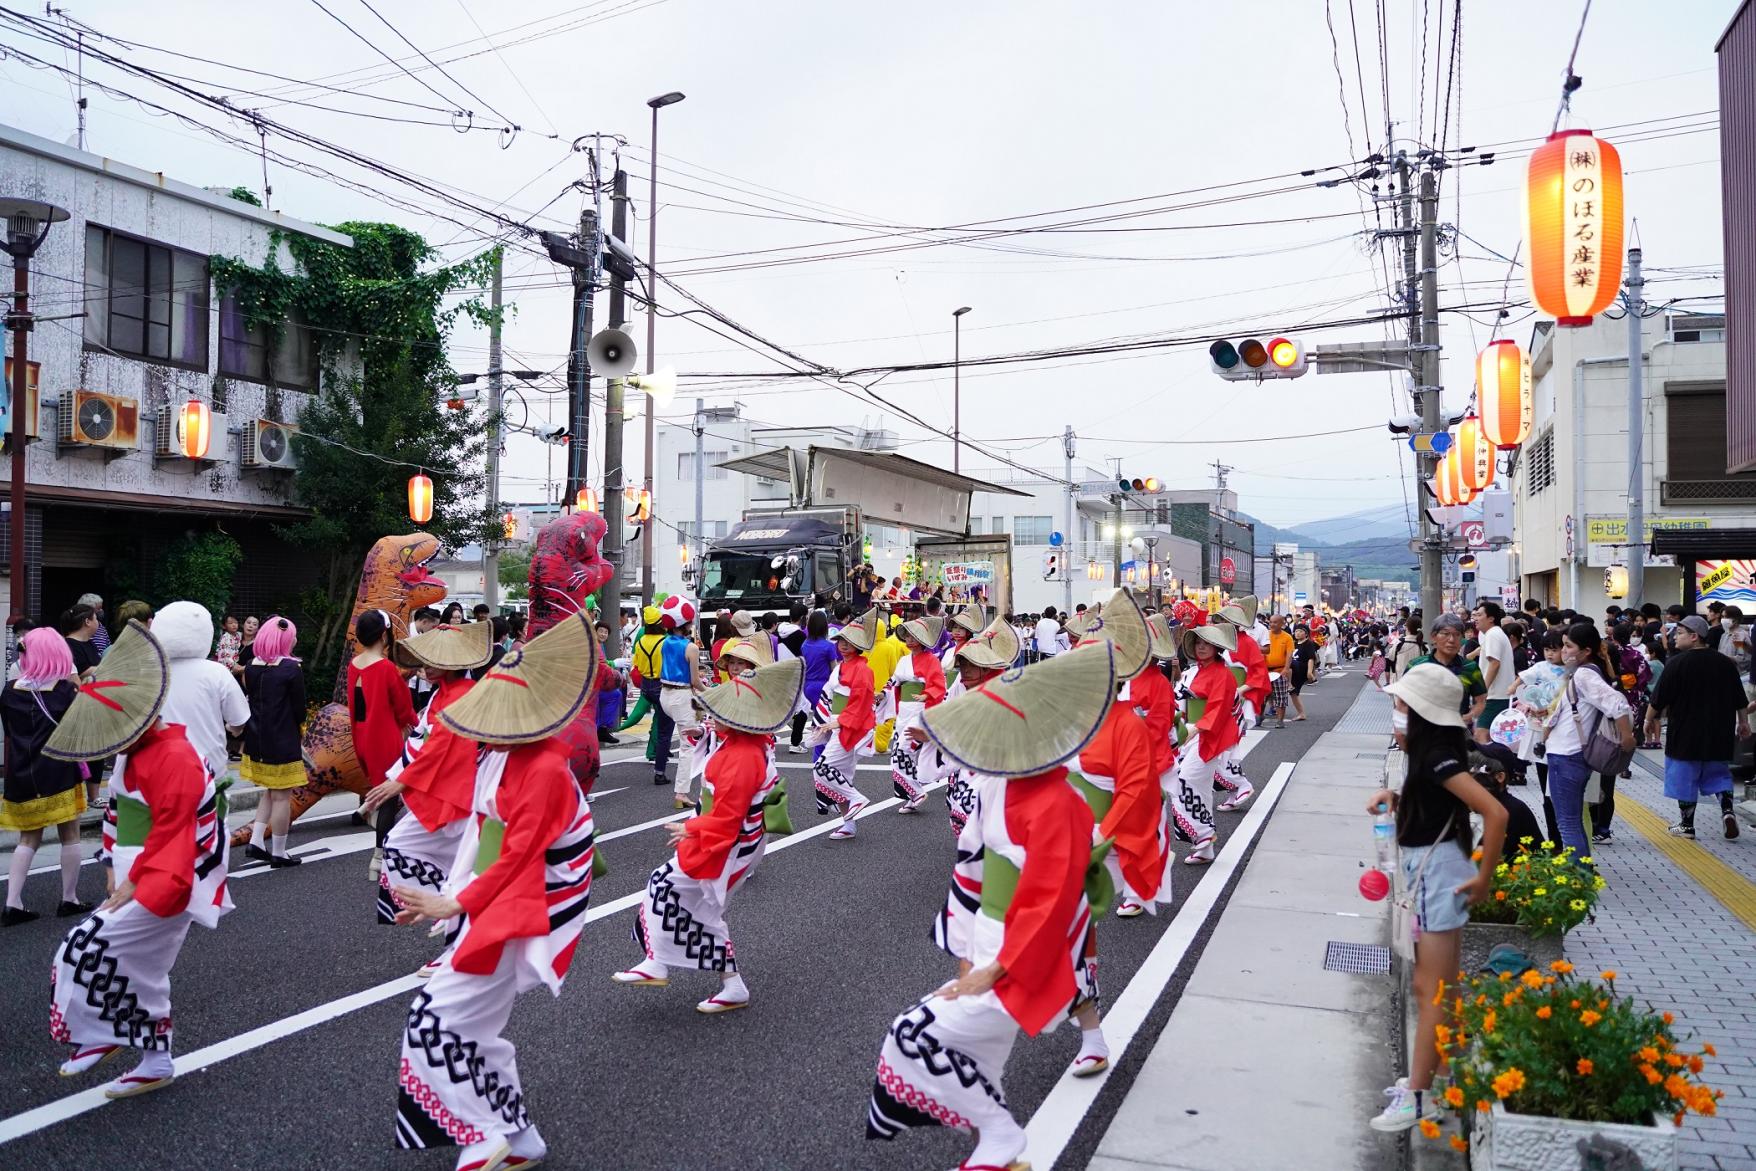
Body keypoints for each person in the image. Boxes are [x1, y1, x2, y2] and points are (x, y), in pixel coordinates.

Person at [869, 644, 1109, 1171]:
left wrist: (998, 967)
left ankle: (1000, 1133)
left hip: (1028, 945)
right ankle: (996, 1138)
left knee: (912, 1035)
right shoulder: (997, 786)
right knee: (967, 1048)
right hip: (995, 938)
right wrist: (968, 953)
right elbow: (970, 871)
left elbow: (1050, 897)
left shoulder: (1059, 802)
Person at [389, 613, 598, 1171]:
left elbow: (517, 854)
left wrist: (457, 901)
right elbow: (488, 844)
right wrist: (453, 902)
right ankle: (516, 1137)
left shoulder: (545, 770)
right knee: (469, 1032)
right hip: (496, 907)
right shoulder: (509, 758)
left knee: (434, 1024)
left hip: (513, 913)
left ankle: (482, 1136)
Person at [46, 621, 233, 1100]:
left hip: (174, 873)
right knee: (135, 966)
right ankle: (153, 1058)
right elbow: (116, 809)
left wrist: (141, 882)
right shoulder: (140, 750)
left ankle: (103, 1032)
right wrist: (112, 862)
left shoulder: (174, 755)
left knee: (84, 947)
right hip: (143, 865)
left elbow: (176, 830)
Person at [615, 656, 802, 1012]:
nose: (712, 717)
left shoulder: (744, 754)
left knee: (682, 897)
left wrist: (692, 827)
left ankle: (682, 969)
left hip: (732, 842)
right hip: (728, 836)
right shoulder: (743, 742)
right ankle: (707, 976)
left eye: (719, 712)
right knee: (681, 897)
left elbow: (729, 817)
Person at [1366, 664, 1507, 1133]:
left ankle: (1419, 1095)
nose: (1396, 712)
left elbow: (1495, 812)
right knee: (1433, 989)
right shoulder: (1429, 754)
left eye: (1402, 705)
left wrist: (1484, 880)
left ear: (1422, 713)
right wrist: (1396, 798)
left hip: (1441, 876)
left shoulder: (1437, 758)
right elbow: (1438, 806)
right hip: (1432, 871)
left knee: (1433, 992)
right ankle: (1441, 1082)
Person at [362, 621, 491, 947]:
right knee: (452, 869)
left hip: (464, 793)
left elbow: (438, 748)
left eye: (434, 661)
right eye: (426, 659)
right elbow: (425, 741)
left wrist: (401, 782)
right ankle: (456, 934)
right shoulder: (444, 694)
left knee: (455, 870)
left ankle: (456, 941)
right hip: (456, 791)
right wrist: (397, 778)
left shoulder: (461, 695)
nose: (426, 667)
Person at [1069, 592, 1168, 917]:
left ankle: (1147, 878)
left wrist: (1102, 829)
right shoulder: (1075, 717)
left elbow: (1134, 787)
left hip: (1108, 820)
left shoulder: (1127, 724)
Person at [2, 628, 88, 924]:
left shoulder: (10, 690)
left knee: (28, 838)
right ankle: (69, 898)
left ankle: (13, 903)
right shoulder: (66, 691)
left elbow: (11, 732)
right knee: (70, 833)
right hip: (59, 771)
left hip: (22, 773)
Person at [1646, 615, 1749, 841]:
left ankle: (1686, 825)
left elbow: (1658, 699)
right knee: (1719, 773)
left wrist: (1646, 721)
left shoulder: (1676, 663)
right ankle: (1728, 811)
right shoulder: (1724, 663)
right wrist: (1743, 723)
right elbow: (1739, 698)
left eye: (1680, 633)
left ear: (1694, 637)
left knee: (1685, 776)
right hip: (1719, 730)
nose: (1675, 637)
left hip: (1685, 731)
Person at [1540, 623, 1634, 857]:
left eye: (1568, 646)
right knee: (1573, 822)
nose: (1563, 651)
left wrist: (1627, 738)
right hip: (1571, 755)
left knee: (1567, 823)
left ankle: (1576, 878)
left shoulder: (1584, 674)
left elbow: (1617, 703)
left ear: (1586, 651)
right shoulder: (1582, 673)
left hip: (1567, 755)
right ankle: (1582, 874)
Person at [154, 601, 251, 785]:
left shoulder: (147, 671)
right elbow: (239, 721)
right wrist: (234, 730)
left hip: (156, 770)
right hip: (208, 769)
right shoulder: (217, 672)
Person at [1171, 616, 1241, 866]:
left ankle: (1202, 836)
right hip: (1193, 731)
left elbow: (1219, 709)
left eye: (1206, 644)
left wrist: (1196, 728)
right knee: (1198, 787)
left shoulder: (1222, 674)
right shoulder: (1196, 671)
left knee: (1186, 780)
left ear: (1217, 648)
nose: (1201, 647)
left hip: (1210, 734)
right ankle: (1205, 846)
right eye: (1198, 643)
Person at [240, 617, 308, 869]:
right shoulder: (291, 669)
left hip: (257, 740)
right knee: (282, 797)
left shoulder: (250, 666)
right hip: (282, 739)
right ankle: (279, 851)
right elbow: (299, 709)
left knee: (270, 790)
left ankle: (257, 841)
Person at [812, 608, 878, 840]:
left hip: (852, 726)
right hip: (840, 723)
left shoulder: (863, 669)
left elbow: (861, 702)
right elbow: (829, 693)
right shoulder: (841, 666)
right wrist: (823, 719)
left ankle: (856, 798)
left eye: (849, 642)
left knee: (822, 769)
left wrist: (838, 721)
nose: (843, 645)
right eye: (841, 641)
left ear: (858, 645)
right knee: (841, 775)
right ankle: (849, 824)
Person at [348, 610, 417, 793]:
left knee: (377, 789)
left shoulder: (354, 664)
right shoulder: (385, 667)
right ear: (383, 635)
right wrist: (417, 725)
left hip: (361, 735)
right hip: (384, 737)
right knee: (389, 794)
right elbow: (404, 708)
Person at [889, 613, 948, 814]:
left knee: (904, 750)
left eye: (914, 636)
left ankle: (916, 791)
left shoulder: (931, 660)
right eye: (907, 636)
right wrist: (881, 694)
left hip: (920, 711)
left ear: (922, 639)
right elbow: (894, 681)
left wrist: (927, 694)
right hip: (904, 710)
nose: (909, 639)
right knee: (898, 756)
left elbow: (939, 685)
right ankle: (913, 795)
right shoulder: (904, 660)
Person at [658, 615, 704, 809]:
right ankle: (681, 793)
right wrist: (711, 692)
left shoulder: (665, 642)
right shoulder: (691, 647)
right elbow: (695, 681)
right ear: (685, 625)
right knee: (688, 746)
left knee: (673, 736)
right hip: (682, 696)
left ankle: (680, 789)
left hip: (665, 695)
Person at [1469, 751, 1543, 849]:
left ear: (1500, 777)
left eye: (1479, 773)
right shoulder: (1468, 804)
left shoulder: (1513, 809)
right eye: (1470, 772)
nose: (1471, 778)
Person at [793, 610, 837, 755]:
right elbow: (834, 670)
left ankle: (820, 750)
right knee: (824, 722)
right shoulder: (828, 646)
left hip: (807, 686)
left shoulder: (805, 645)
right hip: (823, 686)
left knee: (818, 719)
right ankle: (822, 752)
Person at [1473, 601, 1515, 746]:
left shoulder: (1493, 634)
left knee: (1481, 734)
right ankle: (1497, 767)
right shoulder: (1495, 634)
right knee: (1494, 737)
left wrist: (1483, 690)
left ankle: (1492, 766)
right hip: (1499, 695)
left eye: (1479, 615)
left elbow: (1494, 663)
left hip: (1495, 696)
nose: (1475, 618)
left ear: (1491, 618)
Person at [1262, 613, 1295, 728]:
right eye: (1271, 622)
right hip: (1265, 670)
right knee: (1262, 696)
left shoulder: (1287, 637)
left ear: (1282, 624)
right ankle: (1259, 717)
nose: (1272, 624)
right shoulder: (1265, 634)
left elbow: (1289, 654)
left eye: (1275, 622)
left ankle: (1280, 720)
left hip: (1279, 670)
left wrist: (1286, 668)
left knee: (1280, 696)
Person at [60, 603, 103, 682]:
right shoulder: (70, 646)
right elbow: (83, 672)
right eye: (96, 619)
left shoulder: (90, 643)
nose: (98, 622)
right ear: (87, 622)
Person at [1288, 623, 1318, 722]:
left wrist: (1309, 673)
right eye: (1296, 631)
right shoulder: (1294, 643)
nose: (1298, 633)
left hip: (1301, 667)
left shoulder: (1308, 643)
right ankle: (1301, 713)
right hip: (1292, 670)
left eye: (1300, 631)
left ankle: (1288, 684)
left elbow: (1311, 659)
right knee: (1294, 693)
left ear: (1306, 634)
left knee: (1290, 662)